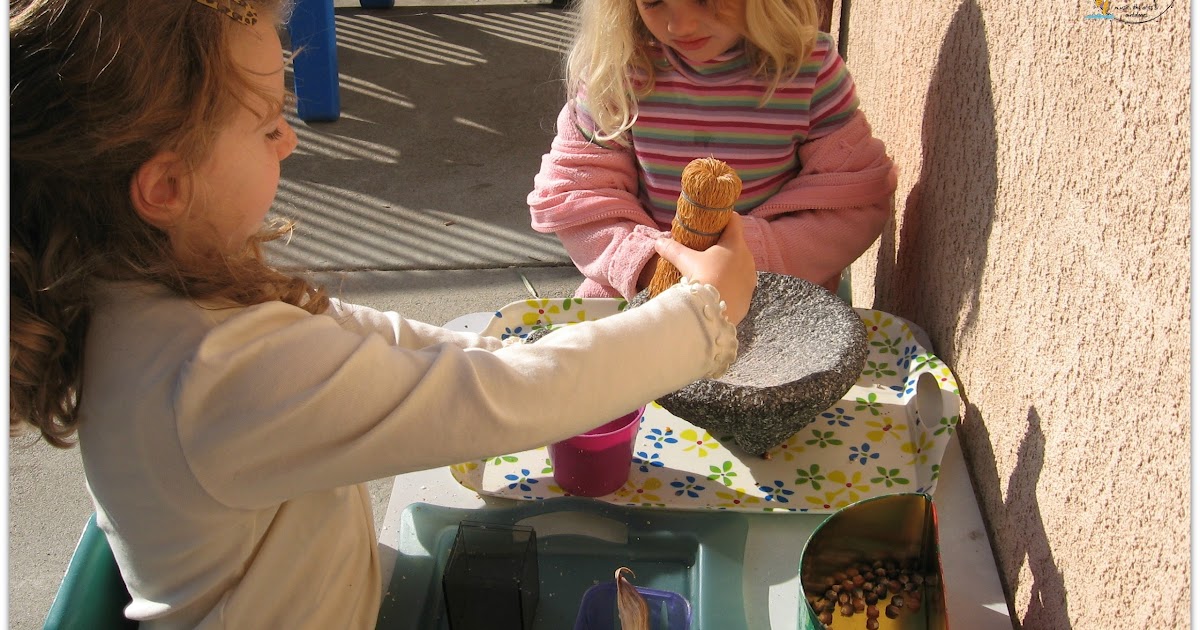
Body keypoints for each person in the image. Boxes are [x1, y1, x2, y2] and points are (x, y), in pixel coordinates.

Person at [8, 0, 756, 627]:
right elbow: (499, 403)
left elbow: (376, 341)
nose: (289, 140)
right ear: (167, 187)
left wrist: (526, 353)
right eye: (267, 125)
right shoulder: (215, 375)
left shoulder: (145, 290)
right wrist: (704, 316)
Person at [528, 0, 898, 299]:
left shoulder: (809, 72)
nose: (680, 25)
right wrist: (652, 265)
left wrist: (746, 263)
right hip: (642, 295)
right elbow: (579, 194)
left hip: (777, 300)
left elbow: (855, 202)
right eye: (653, 2)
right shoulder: (618, 71)